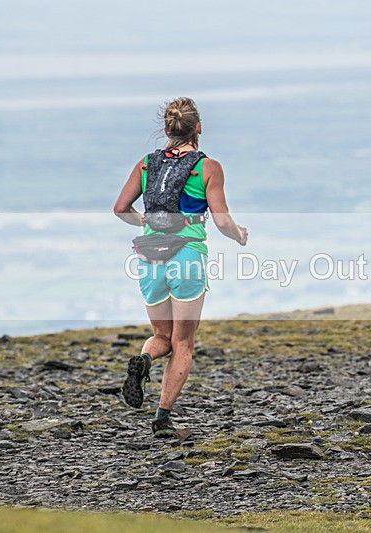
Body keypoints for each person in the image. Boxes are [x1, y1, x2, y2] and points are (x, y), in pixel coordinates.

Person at [113, 97, 248, 438]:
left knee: (161, 336)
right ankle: (162, 418)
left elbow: (120, 208)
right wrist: (238, 235)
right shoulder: (208, 168)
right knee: (183, 343)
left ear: (166, 129)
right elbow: (221, 219)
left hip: (148, 256)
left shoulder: (146, 164)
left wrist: (145, 220)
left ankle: (144, 360)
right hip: (186, 255)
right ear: (198, 128)